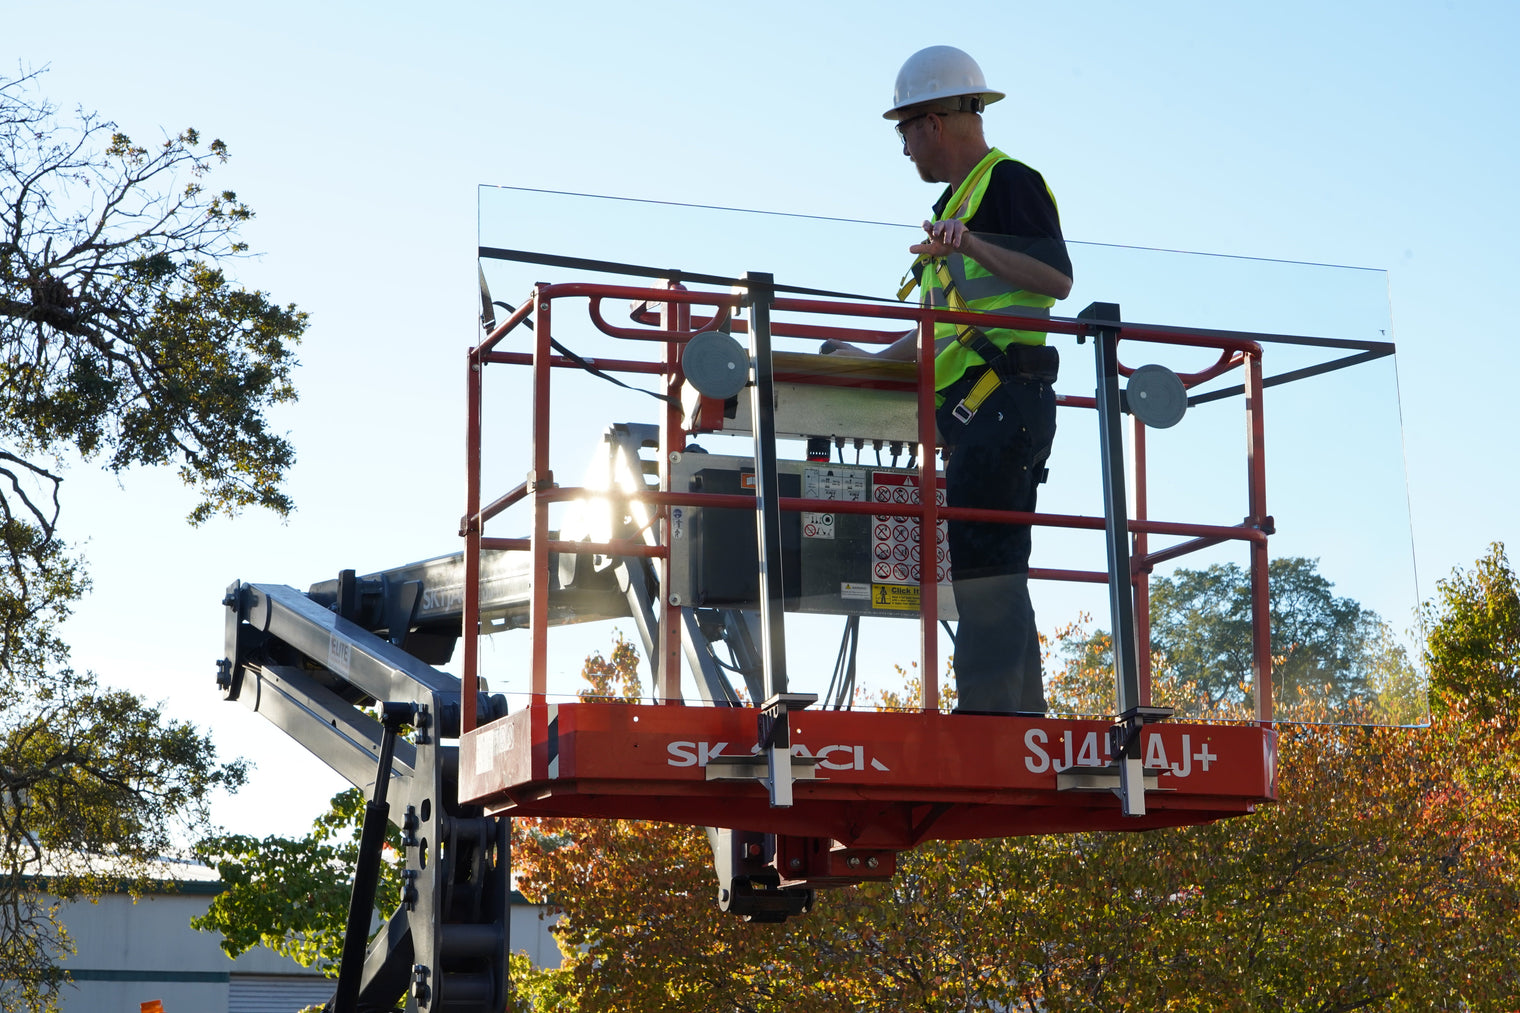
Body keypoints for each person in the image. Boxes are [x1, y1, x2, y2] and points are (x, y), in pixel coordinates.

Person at [822, 46, 1073, 714]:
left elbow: (1057, 278)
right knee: (987, 565)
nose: (905, 148)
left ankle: (993, 719)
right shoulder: (957, 204)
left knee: (988, 566)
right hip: (979, 412)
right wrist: (869, 359)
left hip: (1004, 401)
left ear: (933, 122)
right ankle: (1013, 712)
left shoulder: (1007, 182)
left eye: (904, 131)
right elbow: (944, 327)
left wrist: (971, 243)